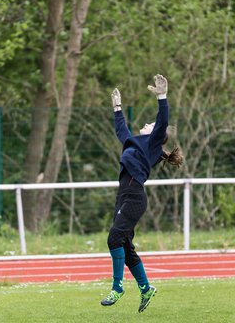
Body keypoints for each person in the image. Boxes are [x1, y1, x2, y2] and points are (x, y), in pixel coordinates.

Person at [101, 74, 183, 313]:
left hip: (135, 197)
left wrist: (162, 97)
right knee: (125, 247)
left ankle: (117, 287)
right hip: (123, 197)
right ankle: (146, 288)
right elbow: (121, 131)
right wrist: (117, 107)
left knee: (113, 239)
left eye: (150, 125)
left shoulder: (153, 144)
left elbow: (162, 119)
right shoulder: (135, 143)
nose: (148, 124)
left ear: (155, 134)